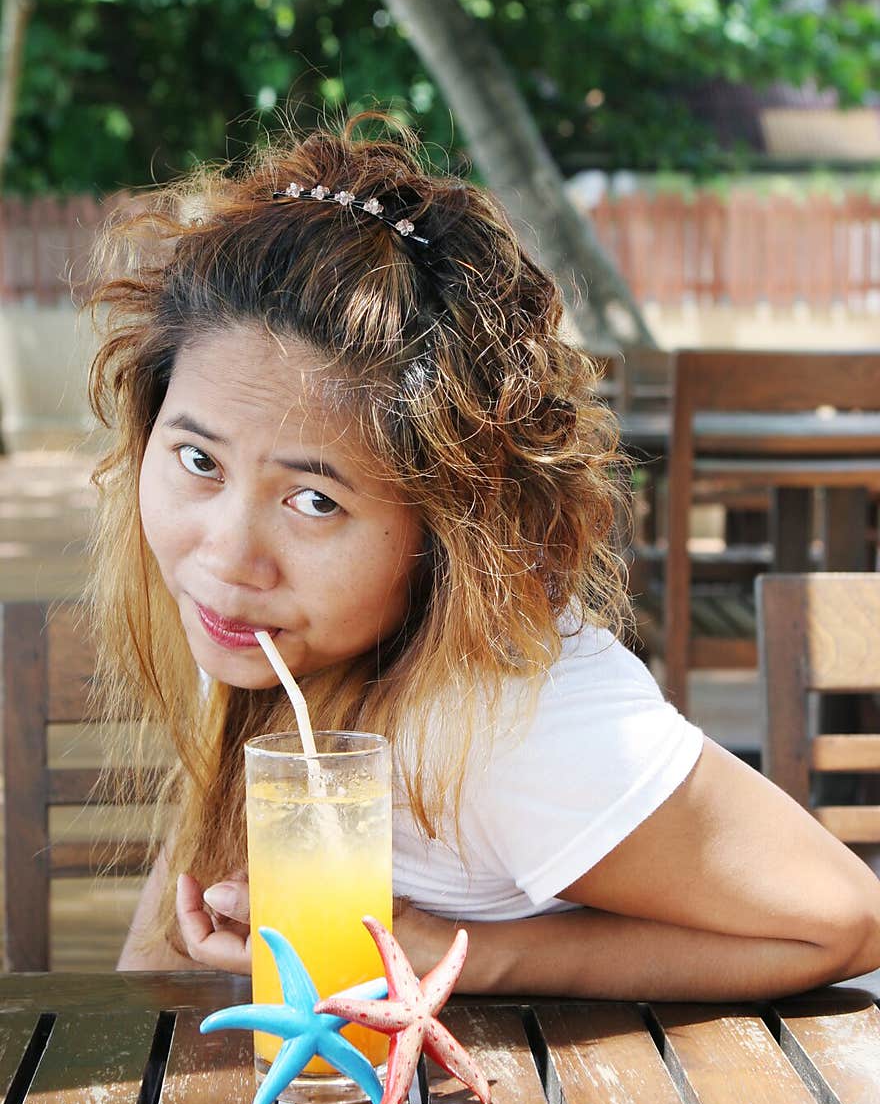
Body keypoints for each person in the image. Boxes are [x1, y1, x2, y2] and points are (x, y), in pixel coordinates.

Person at [88, 110, 880, 998]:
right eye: (200, 461)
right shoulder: (259, 619)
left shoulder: (518, 725)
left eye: (316, 501)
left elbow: (841, 920)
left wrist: (469, 953)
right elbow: (178, 892)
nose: (228, 553)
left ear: (443, 531)